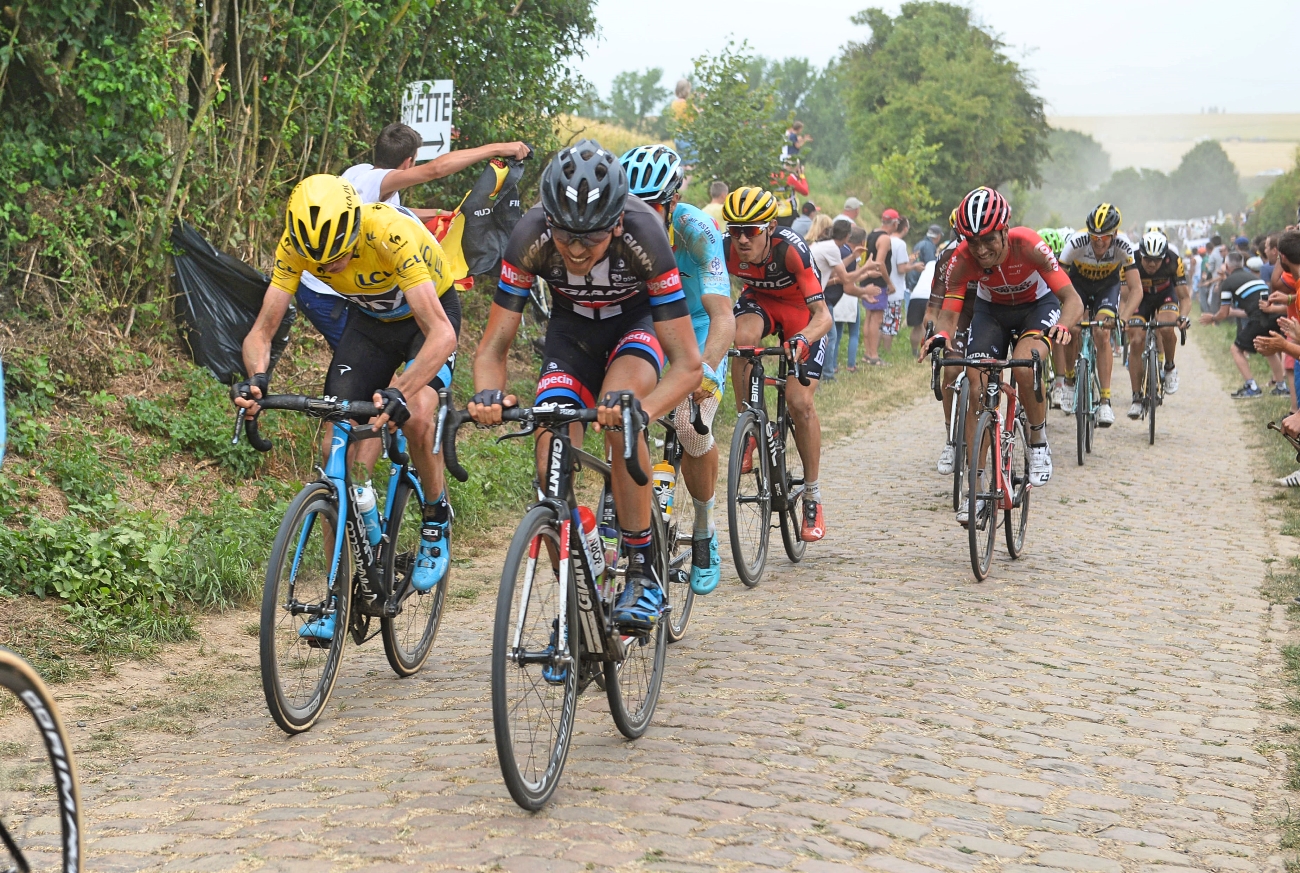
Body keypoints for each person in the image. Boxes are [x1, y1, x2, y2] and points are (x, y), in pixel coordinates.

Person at [471, 140, 702, 632]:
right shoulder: (530, 235)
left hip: (634, 330)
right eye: (565, 237)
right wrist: (488, 394)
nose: (575, 251)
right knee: (548, 449)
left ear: (617, 224)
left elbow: (687, 365)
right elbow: (492, 348)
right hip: (571, 336)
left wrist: (645, 411)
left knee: (622, 417)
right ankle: (578, 596)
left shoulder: (647, 235)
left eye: (591, 240)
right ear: (549, 222)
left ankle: (641, 571)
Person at [234, 176, 460, 637]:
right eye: (323, 262)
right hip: (370, 326)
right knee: (337, 454)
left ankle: (435, 518)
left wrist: (400, 387)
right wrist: (257, 379)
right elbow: (262, 330)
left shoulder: (387, 233)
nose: (332, 264)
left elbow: (442, 333)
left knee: (416, 413)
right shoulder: (295, 246)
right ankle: (343, 592)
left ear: (355, 224)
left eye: (340, 254)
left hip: (426, 322)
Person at [923, 187, 1083, 523]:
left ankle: (1038, 440)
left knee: (1026, 367)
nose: (980, 250)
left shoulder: (1029, 245)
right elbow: (950, 315)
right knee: (976, 384)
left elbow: (1072, 299)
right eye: (972, 240)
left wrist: (1065, 327)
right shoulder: (962, 259)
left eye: (988, 240)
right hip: (991, 312)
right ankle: (976, 488)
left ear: (1005, 230)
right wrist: (941, 336)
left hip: (1036, 308)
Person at [619, 144, 734, 595]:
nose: (641, 217)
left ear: (671, 203)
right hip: (647, 326)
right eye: (633, 207)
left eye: (652, 208)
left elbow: (723, 315)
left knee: (688, 423)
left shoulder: (695, 228)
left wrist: (706, 368)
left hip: (700, 326)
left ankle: (704, 527)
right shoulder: (616, 228)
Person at [724, 186, 833, 541]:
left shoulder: (791, 251)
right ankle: (750, 426)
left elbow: (823, 316)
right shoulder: (727, 250)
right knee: (741, 339)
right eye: (734, 230)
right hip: (761, 303)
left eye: (750, 230)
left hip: (803, 312)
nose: (741, 239)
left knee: (800, 403)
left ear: (769, 227)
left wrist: (803, 338)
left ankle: (812, 496)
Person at [1052, 203, 1142, 426]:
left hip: (1106, 287)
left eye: (1104, 237)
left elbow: (1136, 289)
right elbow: (1057, 279)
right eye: (1094, 237)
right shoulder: (1076, 242)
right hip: (1078, 286)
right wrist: (1059, 310)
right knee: (1071, 329)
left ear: (1114, 234)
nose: (1099, 242)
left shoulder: (1123, 245)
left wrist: (1123, 317)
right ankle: (1071, 382)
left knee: (1101, 333)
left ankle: (1104, 402)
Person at [1126, 230, 1192, 418]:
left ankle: (1169, 367)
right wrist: (1123, 318)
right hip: (1140, 298)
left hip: (1165, 296)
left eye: (1157, 259)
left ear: (1165, 256)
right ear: (1141, 254)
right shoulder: (1131, 260)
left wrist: (1183, 316)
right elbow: (1124, 296)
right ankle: (1136, 398)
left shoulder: (1174, 260)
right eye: (1148, 259)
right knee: (1137, 339)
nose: (1152, 264)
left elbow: (1184, 297)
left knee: (1165, 327)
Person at [1200, 251, 1281, 399]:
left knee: (1236, 349)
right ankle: (1281, 386)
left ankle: (1252, 387)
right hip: (1272, 315)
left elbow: (1223, 313)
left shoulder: (1228, 283)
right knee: (1268, 349)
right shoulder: (1252, 277)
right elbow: (1248, 311)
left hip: (1259, 318)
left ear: (1227, 265)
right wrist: (1229, 313)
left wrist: (1212, 317)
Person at [809, 216, 881, 378]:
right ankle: (823, 374)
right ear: (847, 236)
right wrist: (866, 269)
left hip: (813, 294)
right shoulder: (833, 248)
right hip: (814, 297)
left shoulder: (826, 245)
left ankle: (821, 373)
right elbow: (846, 279)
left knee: (825, 335)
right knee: (828, 336)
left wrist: (854, 257)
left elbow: (837, 270)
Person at [771, 158, 809, 228]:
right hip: (789, 213)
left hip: (774, 212)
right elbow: (805, 191)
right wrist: (802, 176)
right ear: (795, 167)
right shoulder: (789, 177)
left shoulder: (773, 175)